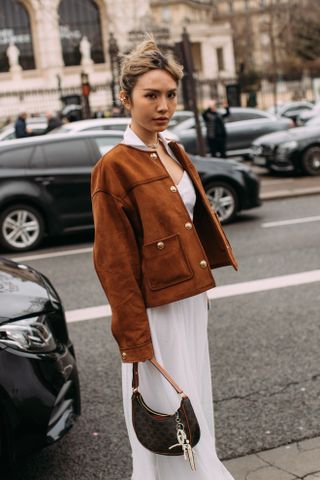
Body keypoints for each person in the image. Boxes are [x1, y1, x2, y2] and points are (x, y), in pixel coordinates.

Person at [91, 39, 238, 480]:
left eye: (170, 95)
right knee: (165, 410)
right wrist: (135, 339)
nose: (163, 106)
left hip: (189, 302)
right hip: (154, 313)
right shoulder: (114, 167)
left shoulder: (174, 149)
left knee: (192, 399)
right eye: (150, 95)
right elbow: (113, 263)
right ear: (125, 98)